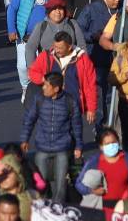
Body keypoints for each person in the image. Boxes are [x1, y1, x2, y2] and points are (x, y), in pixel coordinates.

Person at [20, 71, 82, 200]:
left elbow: (77, 125)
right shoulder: (39, 99)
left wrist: (78, 146)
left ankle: (59, 207)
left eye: (46, 85)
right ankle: (44, 206)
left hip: (62, 149)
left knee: (61, 185)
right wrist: (24, 139)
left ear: (56, 89)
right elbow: (29, 120)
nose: (43, 87)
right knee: (41, 185)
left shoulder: (70, 101)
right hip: (42, 148)